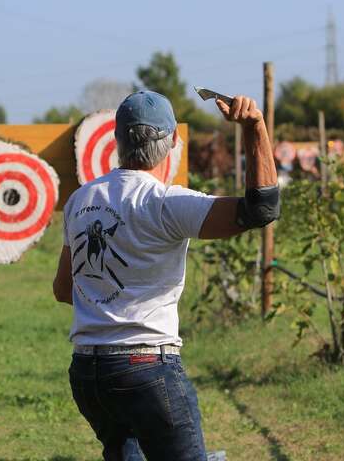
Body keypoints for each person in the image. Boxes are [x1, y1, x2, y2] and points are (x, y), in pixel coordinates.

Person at [53, 90, 279, 461]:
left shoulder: (81, 201)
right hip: (147, 368)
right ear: (174, 141)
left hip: (88, 372)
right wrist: (255, 128)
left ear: (117, 141)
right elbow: (262, 209)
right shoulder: (165, 203)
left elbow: (64, 289)